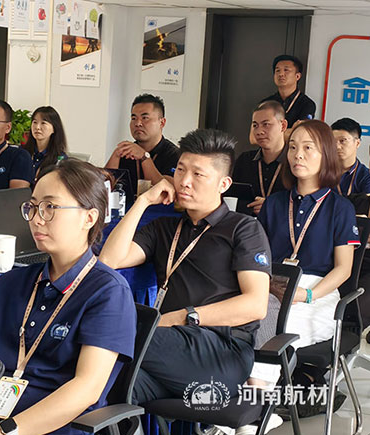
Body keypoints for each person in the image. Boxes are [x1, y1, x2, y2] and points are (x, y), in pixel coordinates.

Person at [100, 129, 271, 405]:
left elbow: (256, 305)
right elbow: (109, 261)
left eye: (198, 174)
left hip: (221, 351)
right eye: (180, 170)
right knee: (106, 387)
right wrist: (143, 201)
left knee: (107, 332)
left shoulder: (243, 229)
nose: (184, 182)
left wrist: (184, 316)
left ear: (224, 184)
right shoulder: (164, 227)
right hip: (167, 346)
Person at [0, 159, 136, 435]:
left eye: (50, 207)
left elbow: (87, 389)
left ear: (89, 218)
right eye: (33, 207)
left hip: (55, 426)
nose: (37, 218)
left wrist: (6, 432)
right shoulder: (12, 282)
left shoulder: (108, 292)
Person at [256, 120, 357, 417]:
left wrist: (308, 295)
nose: (297, 154)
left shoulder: (340, 208)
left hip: (318, 294)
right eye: (292, 147)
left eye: (308, 147)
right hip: (271, 287)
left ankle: (254, 410)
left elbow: (343, 270)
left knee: (273, 331)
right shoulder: (274, 203)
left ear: (326, 154)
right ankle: (252, 410)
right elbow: (257, 258)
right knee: (242, 324)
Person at [105, 94, 181, 187]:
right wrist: (116, 155)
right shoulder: (127, 152)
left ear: (162, 123)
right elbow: (102, 187)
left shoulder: (175, 155)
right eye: (134, 118)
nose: (138, 123)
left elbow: (167, 189)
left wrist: (144, 157)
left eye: (145, 118)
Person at [232, 101, 288, 215]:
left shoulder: (295, 162)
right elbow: (231, 199)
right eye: (255, 126)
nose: (259, 131)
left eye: (266, 124)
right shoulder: (244, 160)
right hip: (247, 223)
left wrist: (271, 206)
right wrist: (251, 207)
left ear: (283, 125)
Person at [260, 55, 316, 139]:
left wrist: (268, 134)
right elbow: (254, 137)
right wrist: (291, 131)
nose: (281, 74)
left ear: (297, 76)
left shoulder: (307, 104)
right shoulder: (265, 103)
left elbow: (300, 134)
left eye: (286, 70)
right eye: (277, 70)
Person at [22, 106, 68, 183]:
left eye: (43, 123)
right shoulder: (22, 153)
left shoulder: (60, 159)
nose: (37, 127)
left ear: (54, 128)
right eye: (35, 122)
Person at [332, 117, 370, 195]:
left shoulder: (366, 176)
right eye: (333, 141)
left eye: (342, 141)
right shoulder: (321, 171)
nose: (337, 146)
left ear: (357, 143)